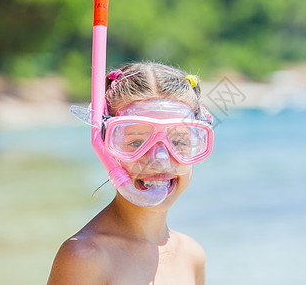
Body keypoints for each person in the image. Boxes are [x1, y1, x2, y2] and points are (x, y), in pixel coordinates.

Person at [47, 62, 214, 284]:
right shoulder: (85, 256)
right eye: (136, 142)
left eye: (178, 141)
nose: (160, 160)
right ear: (106, 147)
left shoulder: (192, 255)